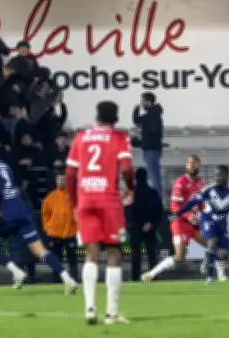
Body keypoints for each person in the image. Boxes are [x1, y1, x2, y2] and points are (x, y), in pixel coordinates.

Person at [0, 137, 78, 294]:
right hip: (21, 209)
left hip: (6, 211)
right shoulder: (5, 165)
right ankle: (67, 279)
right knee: (39, 250)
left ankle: (16, 271)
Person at [66, 101, 134, 325]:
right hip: (109, 200)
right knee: (114, 251)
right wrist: (130, 188)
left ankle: (89, 308)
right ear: (115, 118)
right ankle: (111, 313)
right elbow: (126, 168)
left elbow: (70, 174)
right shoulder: (120, 138)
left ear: (97, 115)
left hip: (86, 200)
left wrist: (75, 203)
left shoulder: (81, 137)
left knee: (91, 252)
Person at [143, 155, 227, 282]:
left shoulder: (200, 183)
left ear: (199, 164)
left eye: (194, 163)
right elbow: (174, 207)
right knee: (179, 256)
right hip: (180, 223)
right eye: (188, 163)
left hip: (194, 224)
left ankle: (221, 276)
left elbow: (201, 205)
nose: (191, 165)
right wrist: (188, 216)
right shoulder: (180, 182)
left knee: (215, 244)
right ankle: (151, 274)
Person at [169, 165, 229, 285]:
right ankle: (210, 277)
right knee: (212, 244)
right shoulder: (208, 189)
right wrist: (178, 213)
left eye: (220, 175)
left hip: (222, 224)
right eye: (215, 175)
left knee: (224, 254)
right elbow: (192, 202)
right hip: (208, 220)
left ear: (227, 175)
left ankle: (208, 259)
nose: (217, 177)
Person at [41, 171, 78, 283]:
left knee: (73, 260)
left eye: (63, 179)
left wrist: (77, 228)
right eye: (59, 180)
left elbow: (78, 212)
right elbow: (45, 214)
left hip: (70, 233)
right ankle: (56, 281)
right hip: (55, 234)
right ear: (56, 181)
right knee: (56, 260)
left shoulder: (73, 196)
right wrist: (48, 228)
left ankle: (74, 279)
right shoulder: (50, 197)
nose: (61, 181)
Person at [128, 168, 163, 281]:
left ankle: (135, 276)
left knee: (136, 253)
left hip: (136, 228)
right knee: (152, 253)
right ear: (146, 177)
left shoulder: (132, 194)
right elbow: (159, 211)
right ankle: (154, 275)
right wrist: (151, 224)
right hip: (150, 228)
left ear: (135, 178)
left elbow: (129, 211)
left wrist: (138, 225)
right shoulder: (153, 193)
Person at [132, 92, 164, 196]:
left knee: (154, 177)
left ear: (148, 102)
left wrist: (140, 142)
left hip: (152, 149)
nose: (141, 103)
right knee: (154, 176)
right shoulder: (151, 114)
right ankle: (157, 201)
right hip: (151, 149)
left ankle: (158, 203)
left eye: (142, 101)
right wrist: (136, 110)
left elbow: (152, 134)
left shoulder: (153, 116)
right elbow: (137, 121)